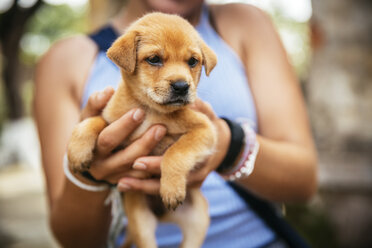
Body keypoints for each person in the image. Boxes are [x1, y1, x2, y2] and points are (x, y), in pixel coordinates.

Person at [34, 0, 318, 247]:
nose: (180, 78)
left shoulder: (247, 24)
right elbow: (71, 240)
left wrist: (228, 147)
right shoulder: (67, 60)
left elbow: (305, 182)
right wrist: (88, 176)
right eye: (155, 59)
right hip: (136, 213)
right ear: (128, 61)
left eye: (192, 62)